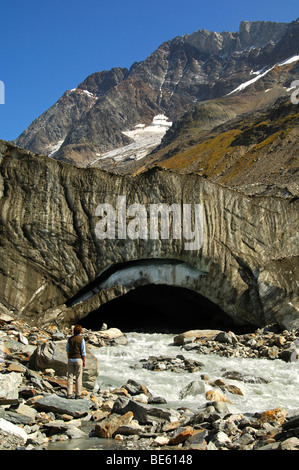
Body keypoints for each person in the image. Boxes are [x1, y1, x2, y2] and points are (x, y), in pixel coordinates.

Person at [66, 324, 86, 399]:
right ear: (80, 331)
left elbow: (67, 350)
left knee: (70, 376)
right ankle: (78, 394)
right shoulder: (81, 339)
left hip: (70, 359)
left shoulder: (70, 339)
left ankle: (69, 393)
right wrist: (84, 361)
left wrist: (69, 358)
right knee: (78, 377)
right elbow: (83, 352)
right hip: (78, 359)